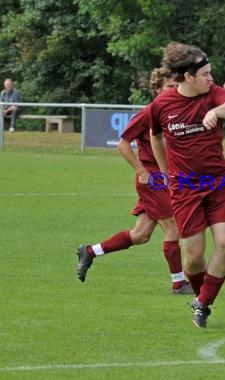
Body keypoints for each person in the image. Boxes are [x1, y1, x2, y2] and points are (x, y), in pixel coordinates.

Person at [75, 68, 192, 295]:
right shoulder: (149, 113)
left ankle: (89, 251)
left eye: (176, 87)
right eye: (168, 87)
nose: (173, 91)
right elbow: (123, 144)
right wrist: (142, 170)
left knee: (141, 235)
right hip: (154, 180)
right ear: (157, 88)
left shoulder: (174, 113)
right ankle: (179, 284)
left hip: (167, 178)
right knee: (173, 229)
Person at [149, 42, 225, 328]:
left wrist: (217, 112)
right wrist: (165, 173)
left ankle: (203, 303)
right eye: (205, 74)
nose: (211, 79)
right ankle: (202, 295)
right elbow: (155, 136)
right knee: (194, 258)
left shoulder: (213, 94)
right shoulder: (162, 104)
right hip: (184, 188)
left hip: (218, 183)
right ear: (188, 76)